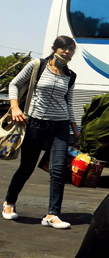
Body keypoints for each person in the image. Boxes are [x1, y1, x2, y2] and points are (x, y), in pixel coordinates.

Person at [2, 36, 79, 228]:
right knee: (27, 167)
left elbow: (68, 103)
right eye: (63, 48)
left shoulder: (70, 75)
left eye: (71, 49)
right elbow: (14, 84)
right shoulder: (37, 65)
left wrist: (75, 130)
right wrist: (15, 108)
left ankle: (52, 214)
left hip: (60, 126)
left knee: (58, 170)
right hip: (36, 123)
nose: (67, 52)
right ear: (54, 48)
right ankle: (9, 203)